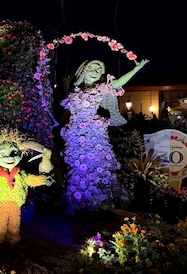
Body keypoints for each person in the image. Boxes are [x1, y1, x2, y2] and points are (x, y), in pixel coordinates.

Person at [60, 58, 149, 212]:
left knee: (95, 166)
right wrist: (61, 124)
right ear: (83, 71)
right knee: (77, 168)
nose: (95, 72)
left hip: (93, 134)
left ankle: (97, 203)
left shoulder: (100, 88)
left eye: (98, 70)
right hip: (75, 135)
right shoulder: (74, 90)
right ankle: (77, 201)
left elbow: (118, 83)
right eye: (91, 69)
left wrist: (136, 69)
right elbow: (69, 112)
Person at [0, 126, 54, 259]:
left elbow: (30, 179)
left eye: (13, 152)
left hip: (16, 207)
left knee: (14, 228)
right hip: (3, 206)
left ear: (20, 154)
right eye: (2, 154)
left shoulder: (20, 174)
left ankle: (13, 249)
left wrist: (44, 180)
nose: (9, 157)